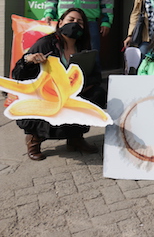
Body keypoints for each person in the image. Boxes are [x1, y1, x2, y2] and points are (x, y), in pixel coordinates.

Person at [12, 8, 107, 160]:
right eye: (71, 20)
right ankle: (34, 140)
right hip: (46, 93)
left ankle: (75, 137)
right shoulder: (45, 44)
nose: (75, 24)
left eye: (80, 22)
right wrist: (28, 61)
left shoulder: (84, 47)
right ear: (61, 22)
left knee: (97, 93)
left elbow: (95, 75)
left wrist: (82, 85)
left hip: (72, 92)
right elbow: (18, 75)